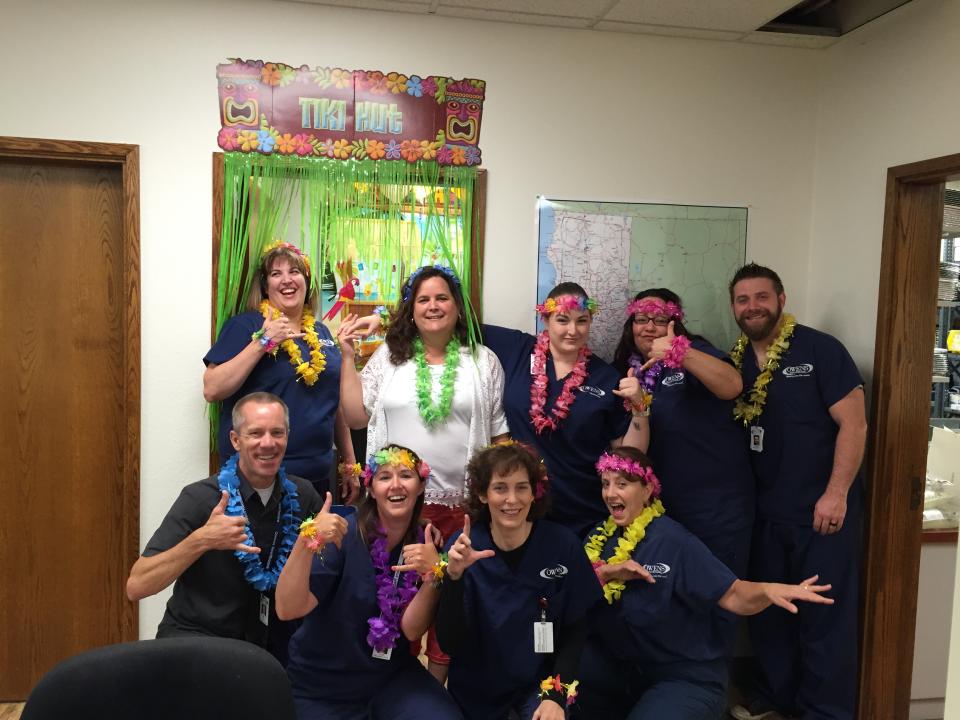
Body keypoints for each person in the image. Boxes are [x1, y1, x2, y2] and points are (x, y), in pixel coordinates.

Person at [338, 264, 509, 681]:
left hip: (461, 508)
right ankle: (391, 692)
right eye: (424, 299)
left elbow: (499, 433)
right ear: (411, 310)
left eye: (442, 297)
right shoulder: (389, 359)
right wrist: (346, 356)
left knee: (448, 615)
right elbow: (356, 416)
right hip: (399, 510)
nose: (433, 306)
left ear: (457, 307)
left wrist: (504, 494)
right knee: (395, 610)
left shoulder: (483, 361)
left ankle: (435, 701)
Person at [575, 448, 834, 720]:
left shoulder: (675, 541)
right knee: (555, 680)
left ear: (647, 488)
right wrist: (607, 573)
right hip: (622, 672)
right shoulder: (598, 540)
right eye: (606, 484)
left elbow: (734, 594)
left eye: (622, 484)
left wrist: (768, 590)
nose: (610, 493)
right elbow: (569, 597)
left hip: (683, 678)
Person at [726, 263, 867, 720]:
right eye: (743, 300)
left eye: (761, 297)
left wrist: (837, 493)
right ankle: (776, 703)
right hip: (764, 516)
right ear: (734, 308)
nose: (753, 307)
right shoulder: (735, 363)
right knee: (770, 618)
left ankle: (825, 712)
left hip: (822, 514)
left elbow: (855, 424)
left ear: (781, 301)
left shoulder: (820, 350)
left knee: (823, 621)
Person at [126, 392, 323, 666]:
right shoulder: (201, 498)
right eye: (255, 433)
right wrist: (201, 540)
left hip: (270, 649)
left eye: (277, 433)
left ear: (287, 437)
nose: (268, 443)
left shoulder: (304, 496)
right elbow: (137, 586)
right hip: (196, 644)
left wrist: (328, 535)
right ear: (235, 440)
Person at [611, 288, 753, 652]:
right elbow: (626, 455)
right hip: (661, 513)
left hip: (715, 507)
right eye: (642, 319)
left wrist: (681, 353)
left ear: (676, 321)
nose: (650, 327)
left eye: (660, 319)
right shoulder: (624, 372)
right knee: (670, 599)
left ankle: (712, 690)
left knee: (720, 596)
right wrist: (638, 407)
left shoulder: (695, 352)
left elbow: (732, 386)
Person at [276, 445, 463, 720]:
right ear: (371, 489)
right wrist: (306, 542)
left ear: (421, 485)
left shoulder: (426, 542)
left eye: (406, 475)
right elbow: (287, 609)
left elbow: (411, 631)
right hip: (324, 684)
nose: (396, 485)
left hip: (390, 678)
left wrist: (434, 576)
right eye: (385, 477)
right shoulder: (341, 535)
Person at [436, 442, 600, 720]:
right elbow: (449, 643)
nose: (512, 499)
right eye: (500, 487)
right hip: (477, 692)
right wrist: (453, 577)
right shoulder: (462, 548)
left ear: (534, 492)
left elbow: (576, 630)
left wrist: (556, 695)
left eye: (522, 487)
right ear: (482, 493)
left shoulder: (563, 546)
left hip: (539, 686)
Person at [204, 241, 374, 500]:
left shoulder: (321, 332)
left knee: (314, 541)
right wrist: (263, 342)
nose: (287, 280)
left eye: (294, 272)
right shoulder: (247, 325)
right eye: (276, 274)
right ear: (265, 286)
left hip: (317, 475)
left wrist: (349, 462)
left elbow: (334, 401)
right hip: (261, 476)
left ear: (306, 281)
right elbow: (212, 388)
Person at [481, 282, 649, 538]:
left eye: (581, 321)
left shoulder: (606, 377)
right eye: (562, 320)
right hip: (521, 510)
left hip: (583, 513)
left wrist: (639, 406)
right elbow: (459, 324)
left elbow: (629, 455)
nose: (572, 330)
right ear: (545, 320)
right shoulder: (516, 349)